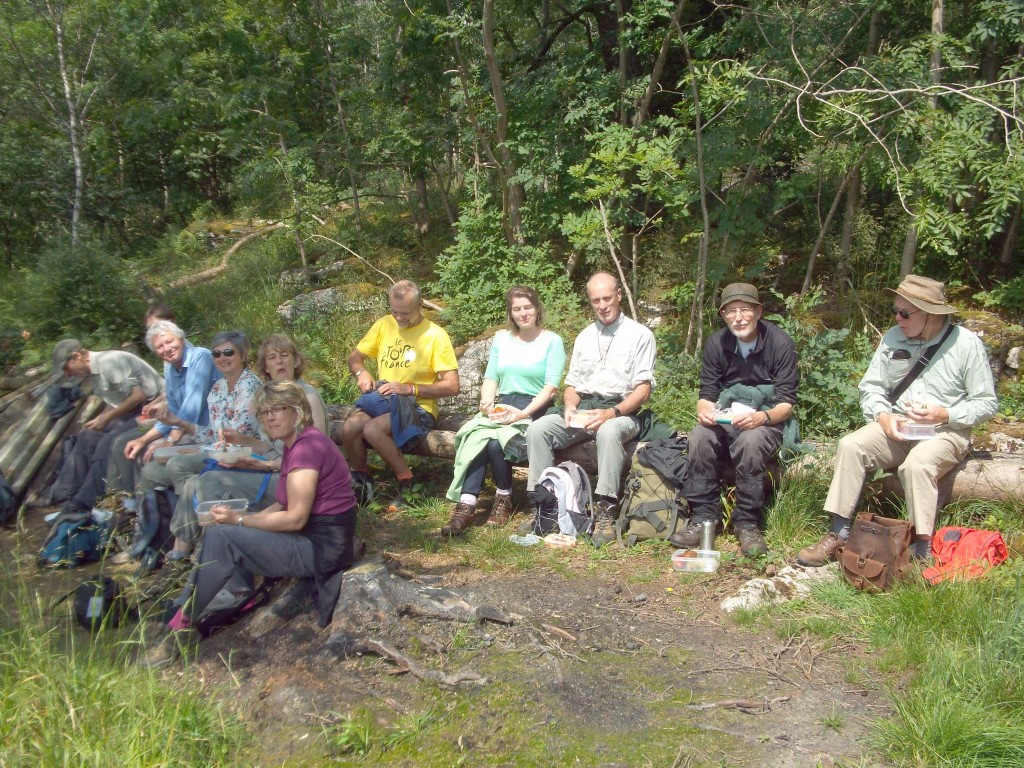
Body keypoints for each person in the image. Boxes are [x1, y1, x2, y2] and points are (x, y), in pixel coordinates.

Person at [142, 381, 358, 668]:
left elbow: (295, 517)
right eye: (264, 412)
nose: (270, 417)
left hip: (321, 548)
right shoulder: (297, 444)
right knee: (224, 533)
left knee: (223, 537)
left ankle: (181, 625)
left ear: (297, 411)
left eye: (277, 409)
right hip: (312, 538)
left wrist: (240, 519)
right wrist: (240, 523)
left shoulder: (308, 449)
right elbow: (281, 503)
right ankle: (185, 613)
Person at [797, 275, 997, 566]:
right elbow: (872, 387)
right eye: (895, 310)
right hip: (899, 426)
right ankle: (838, 534)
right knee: (851, 445)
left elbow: (986, 403)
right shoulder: (893, 337)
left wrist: (945, 414)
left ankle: (920, 551)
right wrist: (882, 416)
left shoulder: (966, 344)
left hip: (946, 430)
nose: (897, 318)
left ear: (929, 314)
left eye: (905, 313)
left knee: (917, 465)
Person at [525, 272, 667, 546]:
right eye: (595, 301)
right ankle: (543, 506)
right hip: (586, 409)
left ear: (618, 296)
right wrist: (569, 406)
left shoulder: (640, 335)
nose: (602, 305)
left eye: (606, 298)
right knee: (538, 428)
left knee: (609, 431)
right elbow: (572, 386)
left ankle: (605, 508)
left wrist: (612, 413)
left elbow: (643, 390)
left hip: (623, 411)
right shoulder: (585, 336)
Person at [671, 283, 798, 557]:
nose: (738, 317)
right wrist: (705, 410)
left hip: (765, 420)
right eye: (731, 311)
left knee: (751, 443)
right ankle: (705, 517)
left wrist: (761, 417)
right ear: (723, 315)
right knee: (698, 436)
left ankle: (747, 522)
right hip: (726, 418)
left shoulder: (780, 343)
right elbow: (707, 393)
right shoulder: (717, 343)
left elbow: (786, 404)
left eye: (744, 310)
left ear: (758, 311)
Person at [442, 287, 566, 535]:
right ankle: (466, 503)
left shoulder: (552, 341)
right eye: (517, 309)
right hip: (504, 402)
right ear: (511, 312)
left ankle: (503, 496)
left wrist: (522, 414)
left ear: (537, 308)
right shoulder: (502, 339)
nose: (523, 313)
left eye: (527, 307)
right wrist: (487, 403)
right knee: (475, 435)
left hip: (535, 406)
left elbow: (551, 388)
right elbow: (491, 377)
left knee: (496, 441)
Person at [136, 331, 262, 558]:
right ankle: (154, 533)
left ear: (242, 354)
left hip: (246, 454)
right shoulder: (218, 389)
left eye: (228, 352)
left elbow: (237, 437)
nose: (222, 358)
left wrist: (191, 445)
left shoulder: (251, 386)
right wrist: (177, 423)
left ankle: (191, 536)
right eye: (217, 354)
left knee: (179, 467)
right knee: (152, 471)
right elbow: (210, 434)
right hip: (219, 452)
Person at [183, 334, 329, 524]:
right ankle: (191, 545)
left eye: (284, 355)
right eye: (272, 357)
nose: (279, 361)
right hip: (275, 469)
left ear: (296, 360)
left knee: (210, 481)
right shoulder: (269, 399)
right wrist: (241, 439)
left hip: (298, 479)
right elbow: (270, 448)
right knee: (195, 482)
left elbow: (317, 457)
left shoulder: (308, 398)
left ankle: (215, 543)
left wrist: (263, 465)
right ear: (265, 367)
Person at [342, 280, 459, 511]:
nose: (398, 318)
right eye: (394, 311)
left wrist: (410, 388)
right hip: (385, 402)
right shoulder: (384, 324)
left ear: (420, 305)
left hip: (419, 408)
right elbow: (355, 357)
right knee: (350, 427)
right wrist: (361, 372)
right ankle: (361, 484)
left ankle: (407, 482)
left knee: (372, 429)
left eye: (405, 313)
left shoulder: (435, 335)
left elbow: (452, 386)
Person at [46, 340, 164, 514]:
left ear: (77, 356)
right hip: (132, 411)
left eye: (66, 368)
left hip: (152, 408)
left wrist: (107, 417)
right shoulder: (94, 373)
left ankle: (86, 501)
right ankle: (66, 493)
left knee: (108, 442)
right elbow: (115, 402)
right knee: (88, 435)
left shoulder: (109, 362)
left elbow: (138, 396)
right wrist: (100, 419)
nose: (67, 374)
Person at [105, 320, 221, 496]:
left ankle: (149, 510)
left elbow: (191, 409)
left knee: (152, 455)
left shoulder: (200, 357)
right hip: (186, 429)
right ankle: (128, 504)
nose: (167, 348)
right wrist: (143, 440)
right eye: (160, 346)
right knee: (133, 446)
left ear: (181, 339)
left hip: (206, 432)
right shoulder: (170, 367)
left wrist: (170, 441)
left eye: (170, 341)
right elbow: (172, 412)